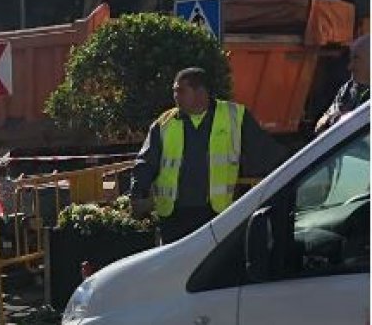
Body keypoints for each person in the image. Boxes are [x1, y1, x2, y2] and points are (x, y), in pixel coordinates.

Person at [130, 67, 285, 244]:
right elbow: (145, 163)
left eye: (180, 91)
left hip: (216, 214)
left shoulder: (235, 116)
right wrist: (137, 194)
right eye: (174, 91)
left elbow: (265, 153)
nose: (175, 96)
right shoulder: (164, 123)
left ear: (200, 92)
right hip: (174, 217)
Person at [315, 34, 369, 134]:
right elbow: (320, 125)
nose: (349, 67)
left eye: (356, 59)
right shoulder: (348, 88)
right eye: (350, 59)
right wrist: (336, 119)